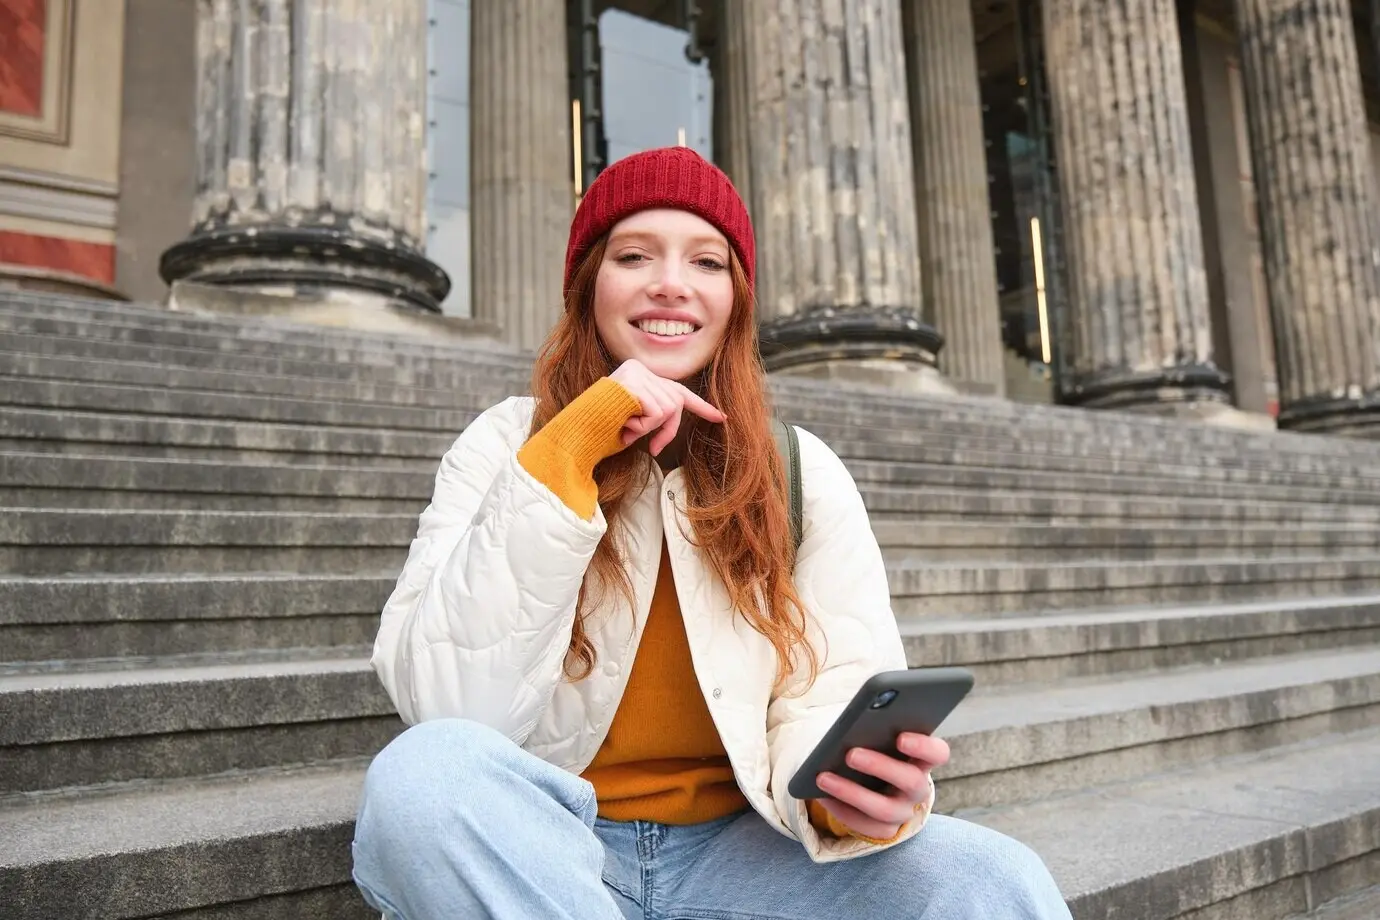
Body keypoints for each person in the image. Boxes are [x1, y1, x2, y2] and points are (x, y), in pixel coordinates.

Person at [352, 146, 1071, 920]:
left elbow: (832, 690)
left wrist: (843, 796)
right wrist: (572, 447)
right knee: (422, 778)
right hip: (549, 850)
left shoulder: (801, 471)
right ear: (589, 283)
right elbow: (450, 706)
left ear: (736, 299)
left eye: (707, 261)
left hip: (740, 860)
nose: (671, 282)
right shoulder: (505, 447)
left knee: (992, 879)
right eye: (634, 255)